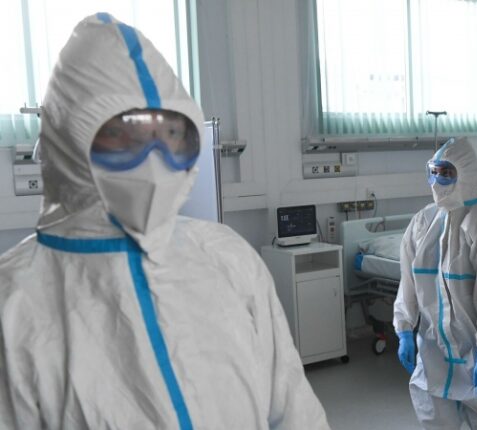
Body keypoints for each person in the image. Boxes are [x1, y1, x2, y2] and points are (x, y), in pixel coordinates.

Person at [0, 13, 329, 430]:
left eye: (171, 137)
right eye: (125, 138)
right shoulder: (14, 301)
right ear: (69, 144)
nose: (153, 162)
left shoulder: (226, 256)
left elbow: (294, 408)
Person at [393, 137, 477, 429]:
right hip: (434, 355)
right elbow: (408, 284)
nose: (438, 180)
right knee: (434, 419)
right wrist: (404, 329)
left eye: (446, 173)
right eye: (434, 172)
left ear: (465, 175)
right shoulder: (422, 223)